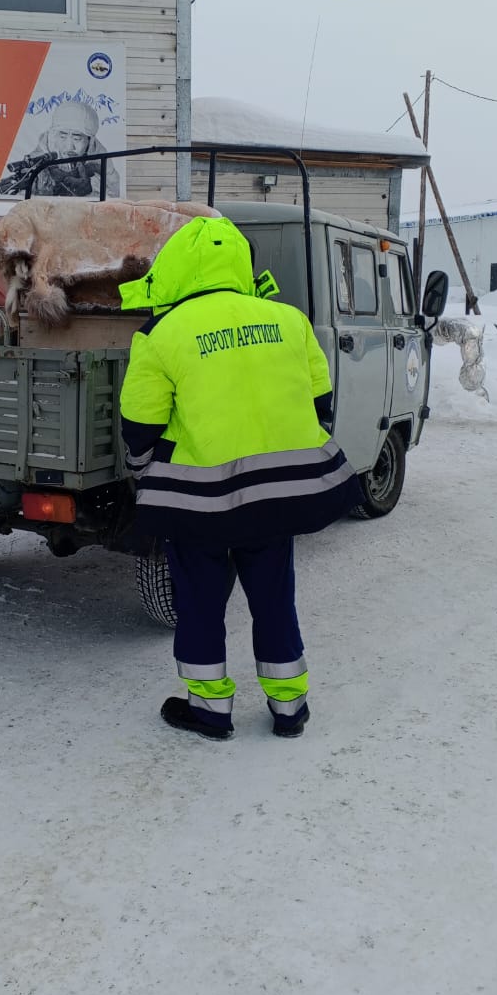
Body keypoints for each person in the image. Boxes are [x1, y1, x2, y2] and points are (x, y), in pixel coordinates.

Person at [118, 215, 362, 741]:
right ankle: (289, 709)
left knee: (202, 605)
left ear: (177, 268)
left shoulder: (161, 334)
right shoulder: (288, 319)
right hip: (277, 499)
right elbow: (321, 401)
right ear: (240, 264)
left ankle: (209, 712)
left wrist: (147, 472)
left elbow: (139, 424)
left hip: (198, 506)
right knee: (275, 599)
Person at [0, 100, 121, 198]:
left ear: (89, 140)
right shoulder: (43, 152)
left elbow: (113, 194)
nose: (69, 146)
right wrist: (41, 195)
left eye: (77, 138)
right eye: (63, 136)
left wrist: (90, 190)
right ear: (54, 135)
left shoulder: (98, 154)